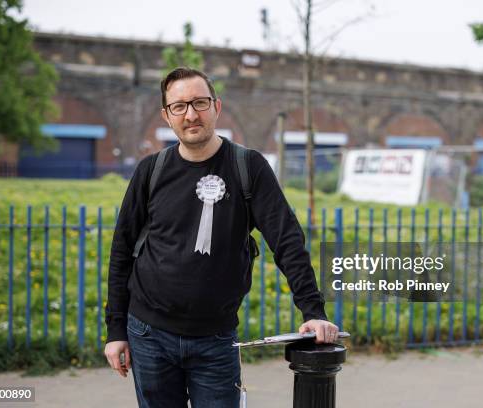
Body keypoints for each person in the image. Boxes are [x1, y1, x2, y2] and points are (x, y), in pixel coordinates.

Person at [104, 66, 339, 407]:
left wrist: (312, 311)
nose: (191, 114)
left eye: (199, 102)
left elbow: (287, 240)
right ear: (167, 116)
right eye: (179, 106)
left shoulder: (249, 167)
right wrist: (116, 331)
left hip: (215, 340)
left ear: (216, 106)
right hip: (148, 334)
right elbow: (122, 250)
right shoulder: (150, 171)